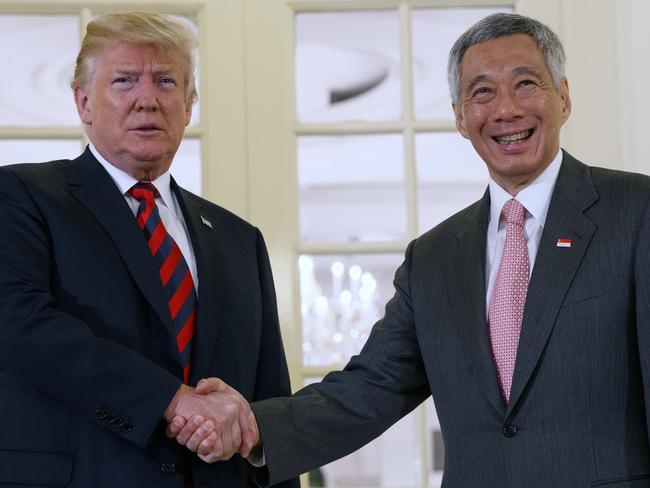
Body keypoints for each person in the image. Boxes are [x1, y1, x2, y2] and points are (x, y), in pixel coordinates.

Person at [171, 12, 650, 487]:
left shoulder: (636, 213)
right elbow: (370, 388)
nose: (506, 110)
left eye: (526, 84)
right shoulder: (435, 258)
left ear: (563, 97)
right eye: (482, 92)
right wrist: (252, 426)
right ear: (460, 117)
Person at [0, 12, 298, 488]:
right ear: (84, 103)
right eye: (124, 81)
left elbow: (269, 396)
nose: (147, 100)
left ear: (188, 105)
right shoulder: (19, 196)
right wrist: (172, 400)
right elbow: (18, 326)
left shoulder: (241, 239)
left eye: (166, 82)